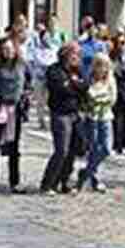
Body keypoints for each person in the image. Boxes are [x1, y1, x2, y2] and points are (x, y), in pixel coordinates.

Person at [0, 37, 28, 193]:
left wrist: (26, 93)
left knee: (14, 146)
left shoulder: (22, 65)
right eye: (4, 49)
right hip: (0, 108)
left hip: (15, 110)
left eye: (10, 49)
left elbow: (28, 82)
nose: (7, 52)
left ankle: (14, 182)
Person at [39, 43, 86, 195]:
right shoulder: (54, 70)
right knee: (62, 150)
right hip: (60, 114)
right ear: (65, 54)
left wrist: (73, 84)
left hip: (75, 113)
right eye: (74, 54)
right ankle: (48, 184)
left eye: (78, 55)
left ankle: (63, 181)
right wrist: (74, 85)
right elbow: (60, 89)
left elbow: (85, 87)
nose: (77, 57)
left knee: (73, 151)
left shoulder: (78, 71)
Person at [77, 53, 117, 193]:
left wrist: (101, 103)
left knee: (106, 148)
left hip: (105, 117)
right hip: (91, 118)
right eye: (99, 65)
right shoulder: (89, 80)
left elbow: (113, 99)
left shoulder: (110, 81)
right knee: (93, 148)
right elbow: (83, 98)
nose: (102, 68)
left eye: (105, 65)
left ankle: (86, 172)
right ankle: (95, 178)